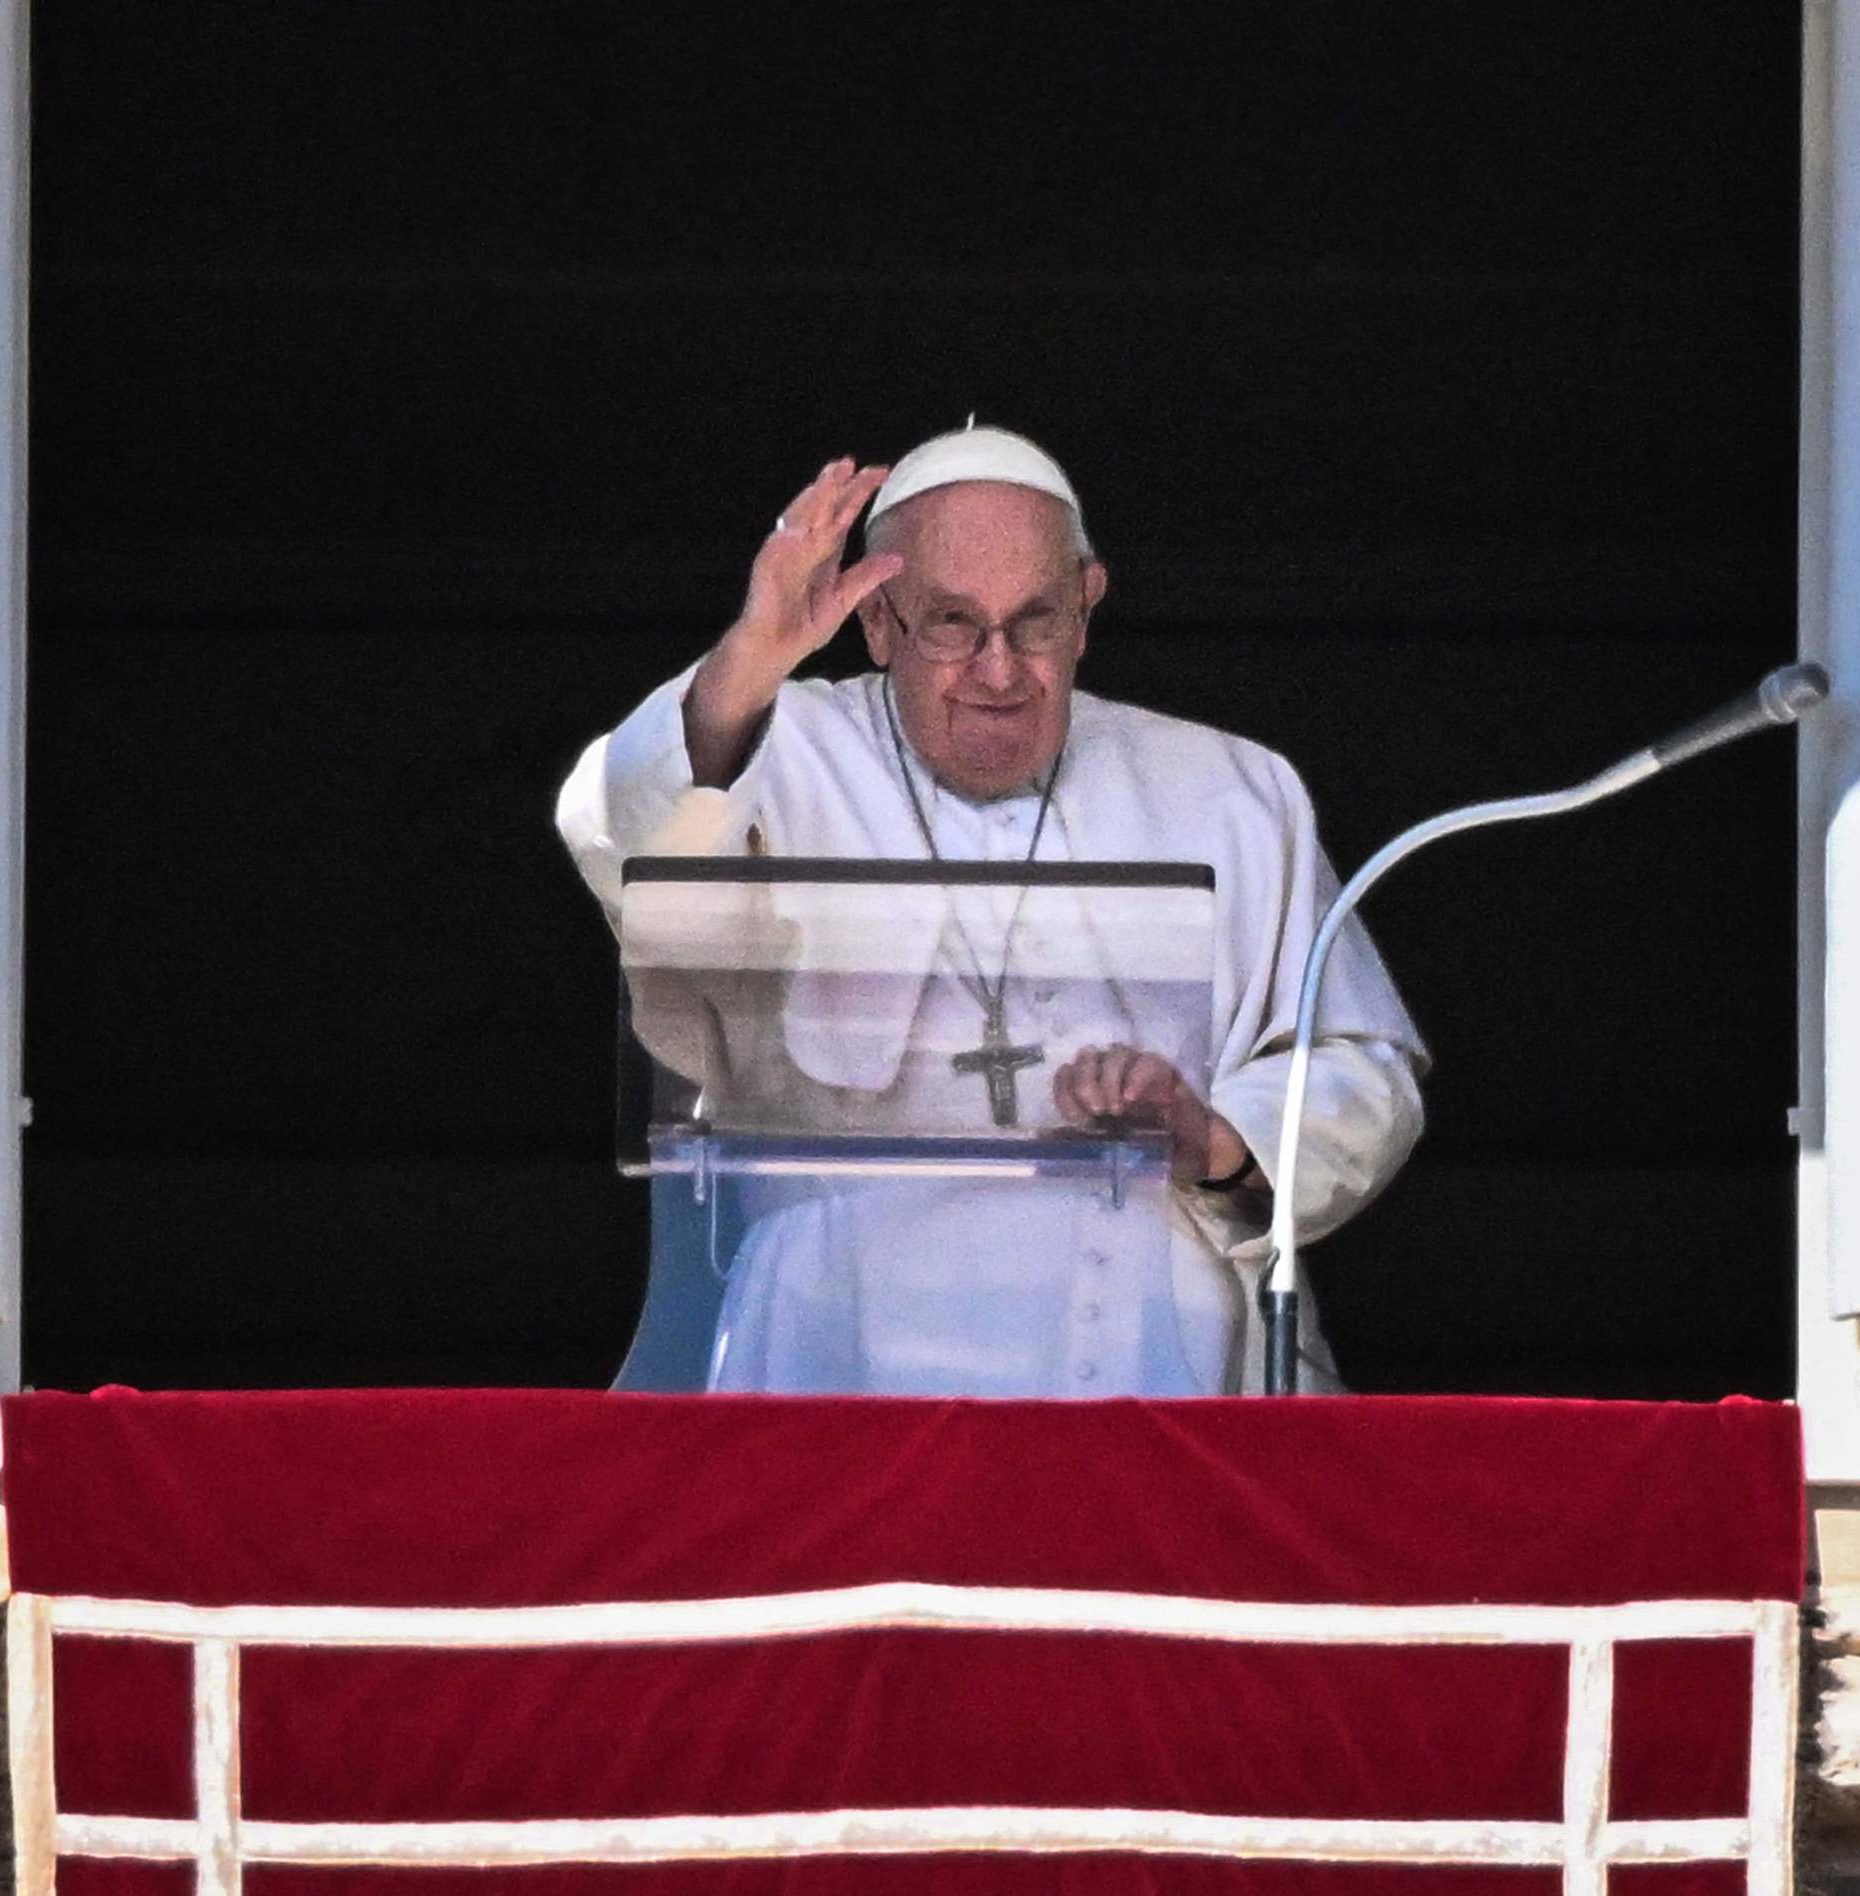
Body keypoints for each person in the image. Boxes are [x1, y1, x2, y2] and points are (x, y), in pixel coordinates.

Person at [557, 425, 1423, 1395]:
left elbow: (1364, 1065)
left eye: (1037, 620)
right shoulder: (773, 741)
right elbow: (626, 841)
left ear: (1088, 607)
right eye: (952, 624)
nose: (1000, 670)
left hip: (1155, 1353)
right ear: (878, 621)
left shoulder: (1230, 787)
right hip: (835, 1347)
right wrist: (751, 659)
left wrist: (1217, 1134)